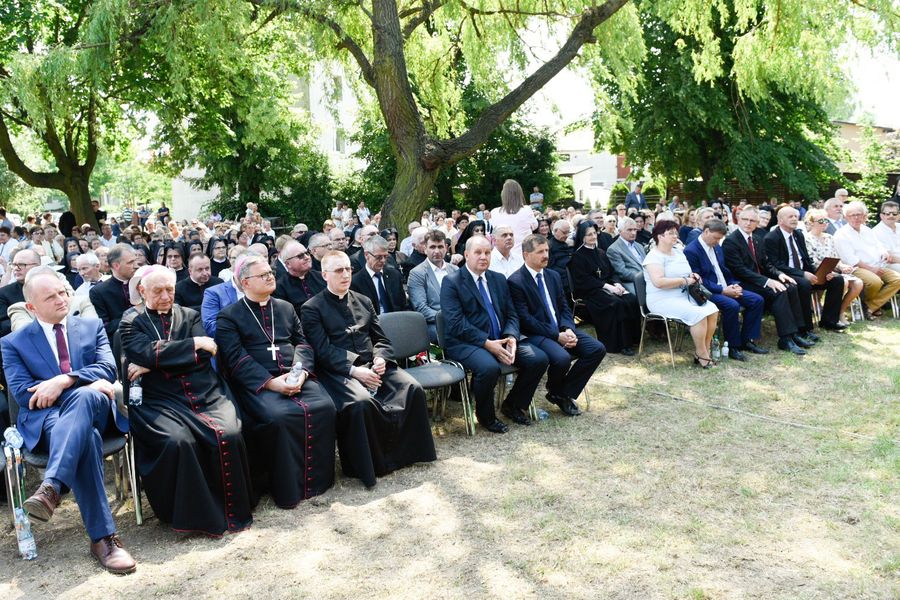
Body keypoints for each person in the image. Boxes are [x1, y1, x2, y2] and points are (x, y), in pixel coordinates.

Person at [2, 269, 135, 573]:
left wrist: (65, 380)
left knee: (86, 399)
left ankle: (52, 486)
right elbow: (24, 394)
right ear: (31, 307)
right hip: (47, 421)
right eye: (51, 297)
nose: (61, 299)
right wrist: (86, 384)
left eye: (62, 292)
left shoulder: (90, 326)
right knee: (86, 436)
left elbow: (107, 369)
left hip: (97, 412)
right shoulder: (13, 342)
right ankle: (104, 539)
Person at [120, 267, 253, 536]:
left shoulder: (190, 315)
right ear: (142, 291)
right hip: (158, 399)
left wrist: (153, 363)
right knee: (178, 441)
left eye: (170, 290)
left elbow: (205, 355)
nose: (165, 296)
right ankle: (193, 517)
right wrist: (192, 344)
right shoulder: (131, 321)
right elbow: (142, 351)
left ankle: (231, 508)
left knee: (229, 432)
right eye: (158, 291)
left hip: (204, 392)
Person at [300, 251, 436, 486]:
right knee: (360, 403)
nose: (345, 275)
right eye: (339, 270)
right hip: (339, 371)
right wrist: (354, 370)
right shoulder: (312, 308)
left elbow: (380, 339)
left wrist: (380, 357)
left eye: (348, 269)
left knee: (412, 388)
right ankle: (372, 464)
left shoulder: (363, 300)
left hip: (374, 365)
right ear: (324, 275)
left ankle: (407, 455)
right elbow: (322, 349)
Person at [215, 255, 337, 506]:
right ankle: (286, 486)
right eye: (263, 275)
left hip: (296, 374)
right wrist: (272, 383)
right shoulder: (229, 316)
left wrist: (301, 373)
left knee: (325, 406)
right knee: (279, 417)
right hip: (258, 384)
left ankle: (318, 480)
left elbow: (303, 343)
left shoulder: (285, 307)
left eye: (270, 273)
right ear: (245, 282)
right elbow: (236, 358)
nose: (271, 277)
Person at [440, 236, 549, 432]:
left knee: (538, 359)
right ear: (466, 255)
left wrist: (512, 337)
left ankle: (513, 405)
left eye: (487, 253)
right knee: (489, 368)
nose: (483, 257)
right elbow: (456, 323)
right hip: (466, 342)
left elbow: (512, 314)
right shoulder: (452, 282)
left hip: (502, 338)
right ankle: (486, 417)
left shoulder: (498, 279)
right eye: (478, 252)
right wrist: (487, 343)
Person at [508, 234, 605, 415]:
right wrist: (556, 335)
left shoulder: (552, 275)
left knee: (596, 349)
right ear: (526, 255)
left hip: (560, 329)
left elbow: (564, 306)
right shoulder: (516, 281)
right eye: (540, 252)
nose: (546, 255)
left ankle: (560, 393)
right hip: (536, 334)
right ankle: (553, 393)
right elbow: (525, 319)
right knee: (562, 358)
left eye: (547, 250)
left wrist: (568, 328)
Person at [722, 206, 813, 354]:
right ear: (738, 220)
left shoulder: (757, 239)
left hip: (758, 280)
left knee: (790, 286)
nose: (748, 223)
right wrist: (767, 281)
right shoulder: (731, 241)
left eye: (752, 220)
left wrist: (779, 275)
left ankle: (795, 333)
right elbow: (740, 270)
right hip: (742, 282)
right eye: (744, 219)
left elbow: (766, 264)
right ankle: (785, 339)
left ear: (757, 223)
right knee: (779, 292)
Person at [685, 219, 767, 361]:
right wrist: (723, 290)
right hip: (707, 292)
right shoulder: (691, 251)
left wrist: (734, 284)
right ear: (706, 231)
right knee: (731, 305)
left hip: (725, 286)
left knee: (756, 300)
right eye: (716, 238)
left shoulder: (716, 247)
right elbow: (699, 280)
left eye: (720, 239)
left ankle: (747, 340)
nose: (718, 241)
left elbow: (724, 270)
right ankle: (733, 347)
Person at [643, 221, 720, 367]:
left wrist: (693, 275)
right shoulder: (653, 257)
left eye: (676, 233)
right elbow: (659, 282)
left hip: (684, 295)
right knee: (698, 314)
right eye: (670, 233)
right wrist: (685, 281)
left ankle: (704, 350)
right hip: (662, 299)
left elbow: (686, 272)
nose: (675, 236)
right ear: (660, 236)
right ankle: (702, 355)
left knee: (712, 309)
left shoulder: (678, 252)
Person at [763, 207, 847, 332]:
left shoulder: (798, 234)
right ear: (780, 220)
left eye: (796, 216)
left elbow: (806, 259)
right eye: (790, 216)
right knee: (804, 284)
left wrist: (821, 272)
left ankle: (829, 321)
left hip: (804, 272)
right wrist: (802, 274)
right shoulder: (771, 238)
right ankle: (806, 328)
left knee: (837, 279)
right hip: (786, 275)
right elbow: (776, 265)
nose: (794, 219)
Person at [569, 222, 640, 355]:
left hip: (607, 286)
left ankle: (633, 340)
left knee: (631, 299)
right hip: (590, 291)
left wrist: (617, 284)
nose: (593, 236)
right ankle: (620, 345)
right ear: (582, 237)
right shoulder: (577, 256)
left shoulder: (601, 252)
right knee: (616, 303)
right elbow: (584, 280)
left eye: (594, 233)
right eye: (589, 234)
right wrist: (607, 286)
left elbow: (612, 272)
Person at [833, 201, 900, 317]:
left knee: (897, 279)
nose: (856, 218)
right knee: (875, 282)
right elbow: (850, 259)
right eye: (852, 215)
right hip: (856, 268)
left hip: (877, 265)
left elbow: (879, 246)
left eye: (859, 214)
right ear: (846, 217)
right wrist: (871, 269)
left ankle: (870, 306)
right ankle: (870, 305)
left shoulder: (867, 230)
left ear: (864, 216)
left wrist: (884, 252)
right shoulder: (841, 234)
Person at [803, 209, 864, 326]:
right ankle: (832, 316)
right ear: (811, 223)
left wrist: (842, 267)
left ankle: (840, 312)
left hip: (832, 270)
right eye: (821, 221)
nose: (825, 223)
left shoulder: (829, 237)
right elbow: (812, 261)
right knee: (842, 281)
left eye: (826, 220)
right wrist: (829, 271)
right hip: (817, 272)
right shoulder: (806, 238)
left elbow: (835, 258)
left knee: (858, 283)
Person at [408, 230, 457, 343]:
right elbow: (421, 308)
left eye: (440, 247)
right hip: (436, 324)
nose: (437, 251)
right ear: (425, 249)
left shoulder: (455, 270)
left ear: (446, 248)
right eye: (432, 247)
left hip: (459, 319)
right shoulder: (417, 273)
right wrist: (449, 317)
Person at [90, 243, 138, 338]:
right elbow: (105, 326)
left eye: (135, 261)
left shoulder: (142, 282)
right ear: (116, 265)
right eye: (130, 262)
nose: (136, 266)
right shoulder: (99, 292)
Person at [350, 235, 407, 315]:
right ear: (366, 255)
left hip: (396, 319)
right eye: (378, 257)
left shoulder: (394, 276)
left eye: (386, 256)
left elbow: (403, 305)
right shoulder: (356, 282)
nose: (383, 260)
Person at [273, 240, 325, 316]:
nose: (307, 257)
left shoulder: (321, 277)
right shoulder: (280, 287)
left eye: (307, 253)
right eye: (300, 256)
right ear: (288, 264)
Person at [491, 179, 538, 256]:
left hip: (502, 256)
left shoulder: (494, 212)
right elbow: (535, 226)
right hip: (522, 255)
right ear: (519, 194)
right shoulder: (526, 210)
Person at [0, 248, 41, 336]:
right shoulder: (4, 293)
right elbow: (3, 325)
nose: (16, 268)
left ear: (37, 266)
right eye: (14, 265)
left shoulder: (52, 286)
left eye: (22, 264)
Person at [606, 217, 647, 294]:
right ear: (620, 231)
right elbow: (622, 272)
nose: (633, 233)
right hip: (632, 282)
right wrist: (644, 276)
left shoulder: (639, 246)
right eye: (629, 230)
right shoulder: (613, 249)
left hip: (649, 278)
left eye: (635, 229)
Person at [873, 201, 900, 273]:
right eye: (887, 214)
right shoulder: (876, 231)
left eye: (894, 214)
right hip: (889, 265)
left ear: (899, 215)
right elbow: (889, 257)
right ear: (881, 215)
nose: (891, 216)